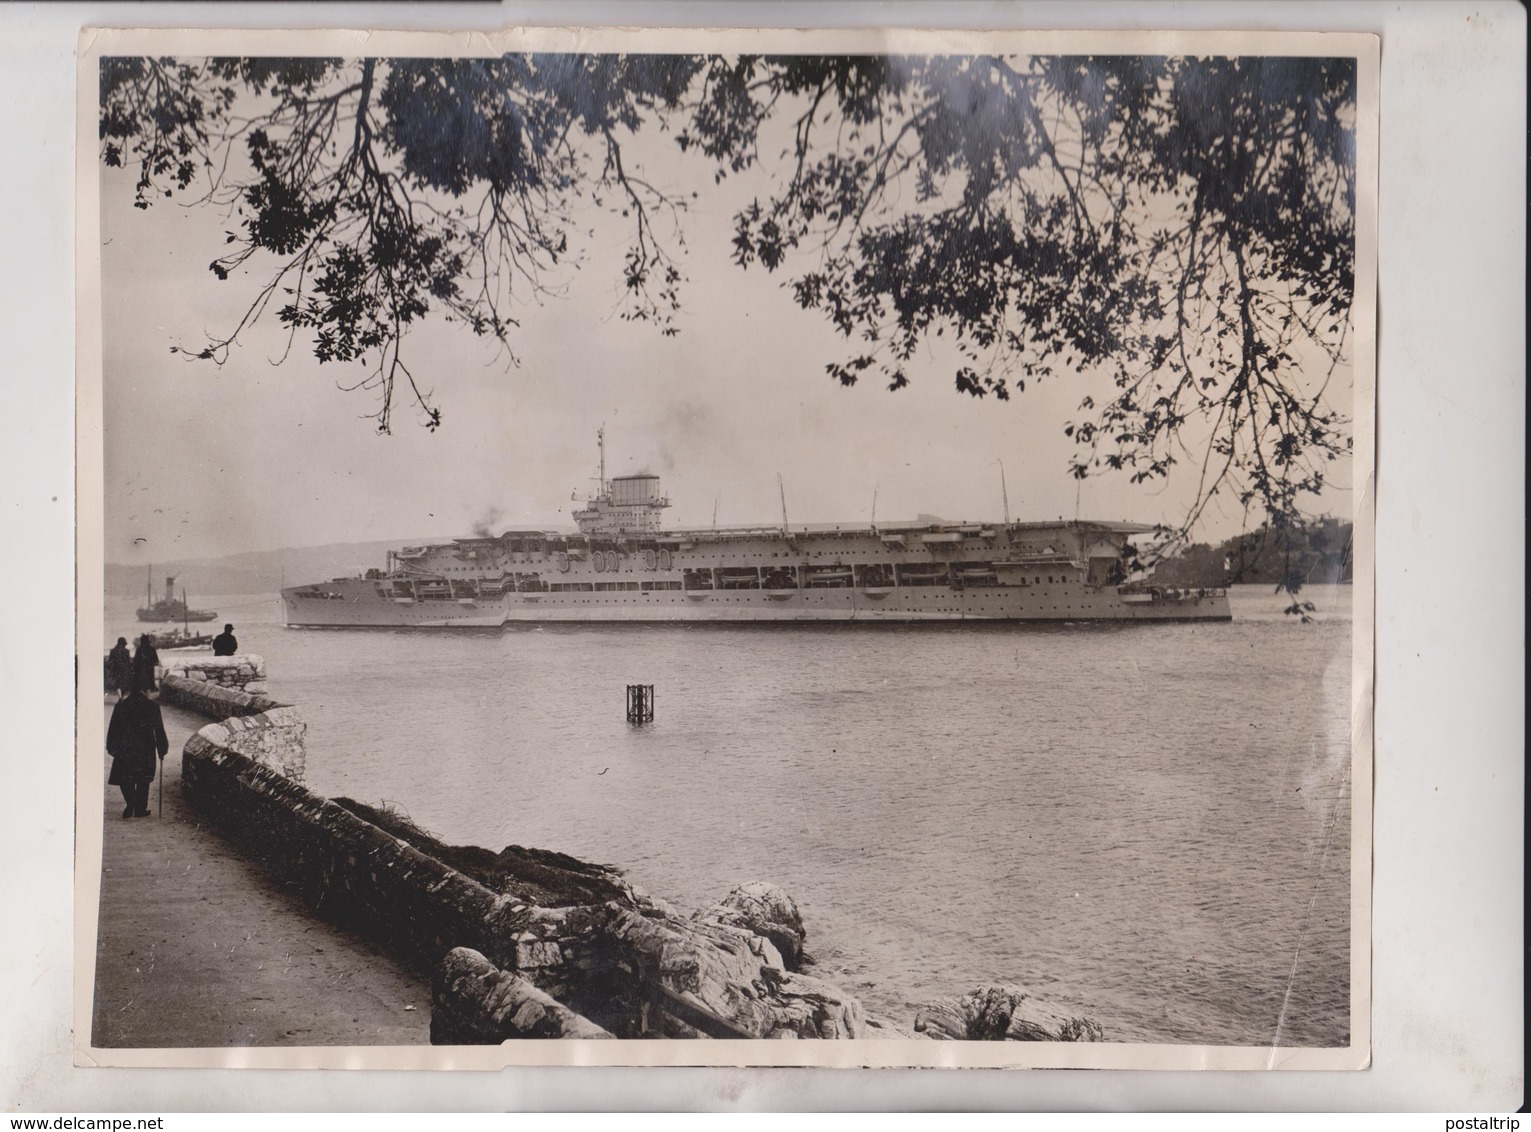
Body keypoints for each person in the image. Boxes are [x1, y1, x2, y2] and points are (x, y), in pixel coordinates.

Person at [106, 677, 168, 819]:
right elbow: (159, 730)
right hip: (145, 748)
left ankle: (131, 801)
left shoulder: (121, 706)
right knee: (143, 779)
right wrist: (162, 748)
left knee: (125, 778)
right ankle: (140, 808)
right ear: (145, 691)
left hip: (125, 747)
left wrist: (112, 747)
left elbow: (113, 729)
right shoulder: (152, 706)